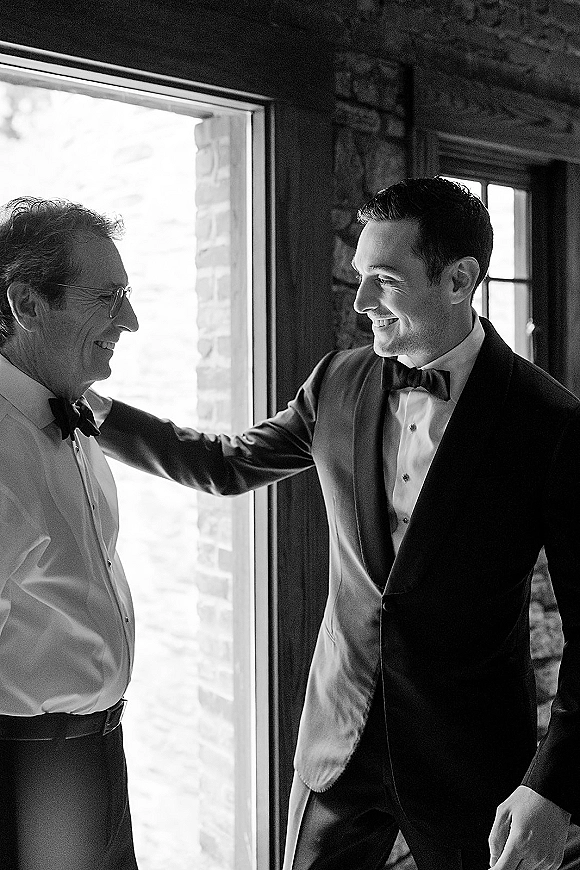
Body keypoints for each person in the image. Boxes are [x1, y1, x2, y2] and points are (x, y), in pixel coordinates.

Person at [89, 177, 580, 870]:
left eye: (383, 280)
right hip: (335, 747)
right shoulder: (336, 382)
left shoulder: (549, 423)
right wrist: (96, 412)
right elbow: (226, 465)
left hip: (468, 759)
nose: (359, 304)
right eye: (359, 278)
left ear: (458, 280)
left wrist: (551, 786)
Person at [0, 196, 140, 870]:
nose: (131, 322)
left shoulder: (73, 408)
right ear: (27, 304)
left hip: (98, 756)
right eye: (109, 299)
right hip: (30, 776)